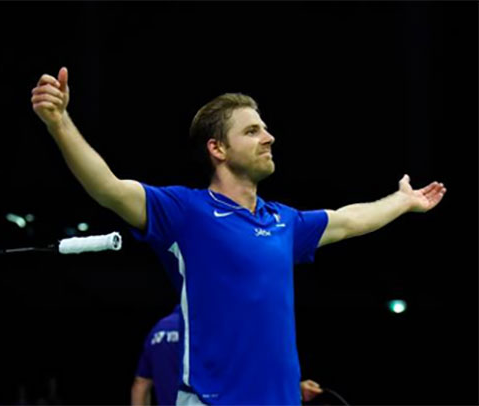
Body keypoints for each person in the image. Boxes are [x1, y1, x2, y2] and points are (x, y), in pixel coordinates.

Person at [31, 67, 446, 405]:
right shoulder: (185, 211)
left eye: (264, 128)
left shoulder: (284, 222)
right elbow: (108, 188)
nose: (269, 137)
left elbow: (348, 219)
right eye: (252, 131)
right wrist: (60, 122)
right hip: (212, 400)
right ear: (218, 149)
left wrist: (402, 201)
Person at [131, 306, 323, 406]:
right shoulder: (213, 328)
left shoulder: (159, 329)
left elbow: (141, 385)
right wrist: (294, 390)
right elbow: (243, 378)